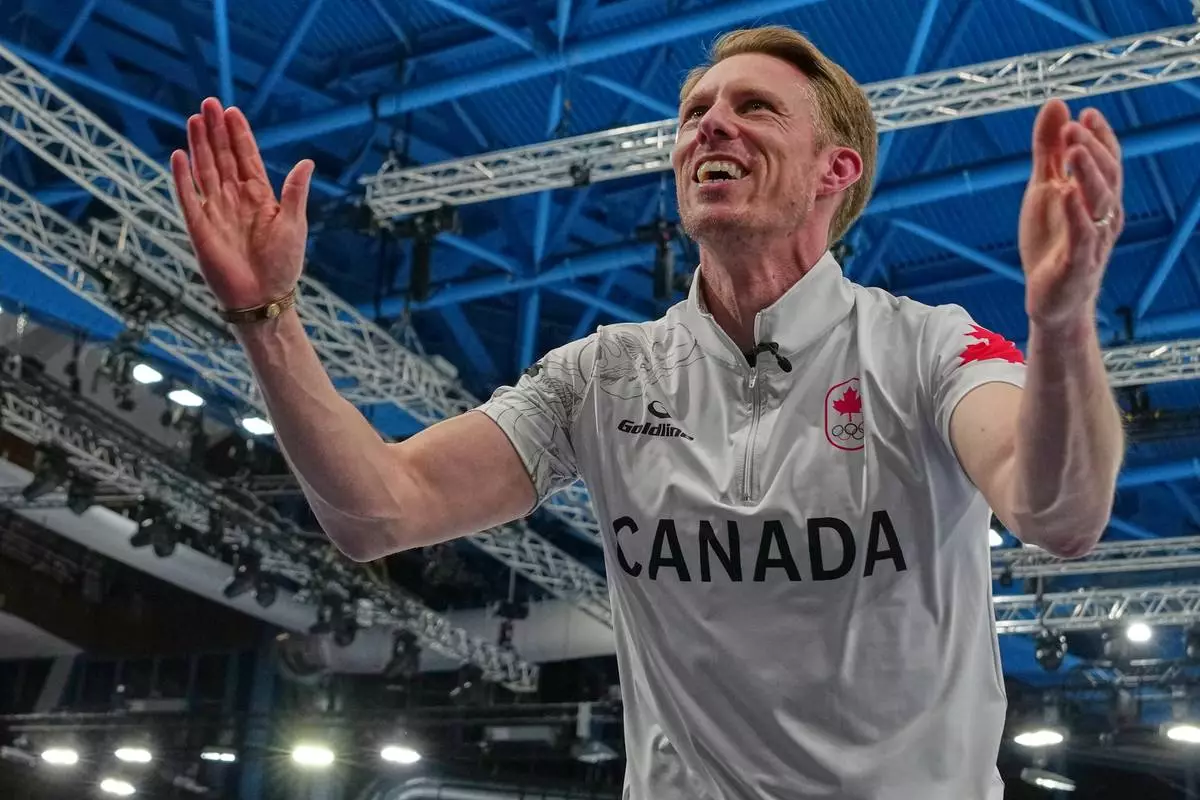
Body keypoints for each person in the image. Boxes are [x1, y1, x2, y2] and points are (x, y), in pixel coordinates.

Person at [170, 24, 1125, 800]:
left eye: (753, 108)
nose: (709, 127)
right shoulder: (604, 374)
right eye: (695, 113)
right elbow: (381, 510)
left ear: (837, 171)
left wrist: (1064, 321)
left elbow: (1061, 512)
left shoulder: (929, 347)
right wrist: (267, 318)